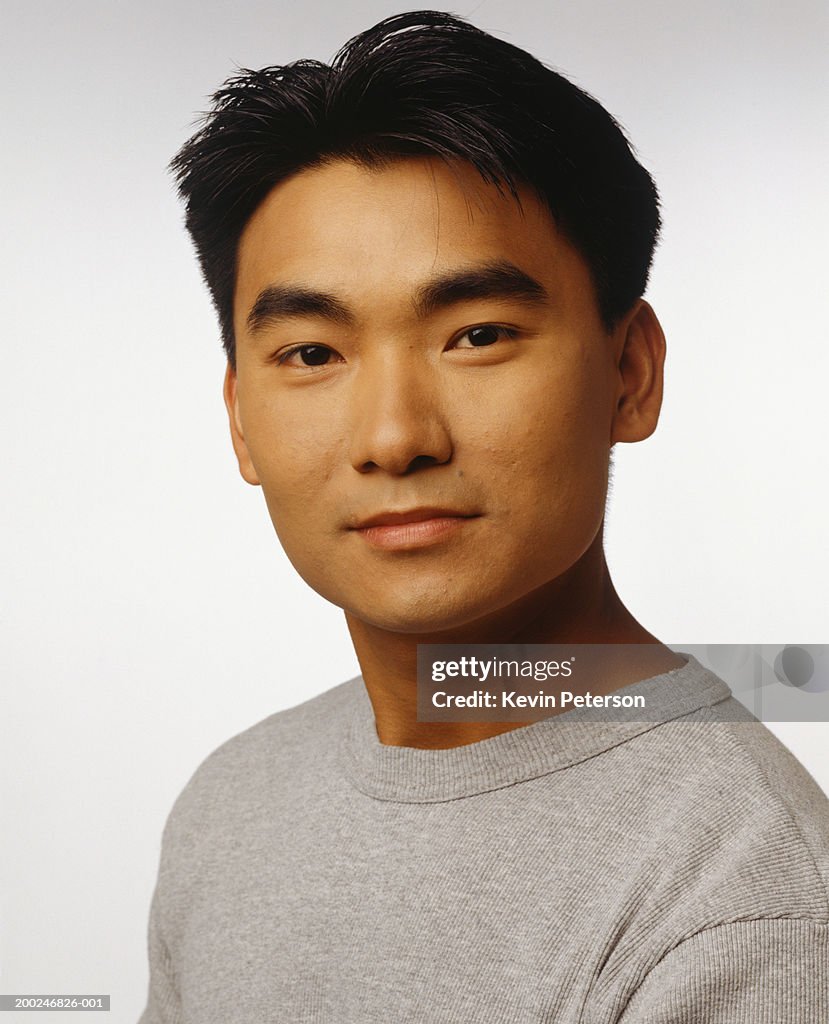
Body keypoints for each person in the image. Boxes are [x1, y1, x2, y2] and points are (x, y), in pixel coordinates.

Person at [140, 11, 829, 1022]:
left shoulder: (742, 896)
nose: (393, 436)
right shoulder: (230, 804)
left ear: (630, 374)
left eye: (475, 334)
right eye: (313, 353)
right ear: (240, 418)